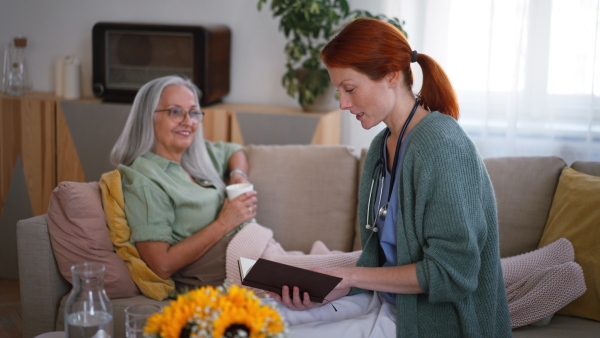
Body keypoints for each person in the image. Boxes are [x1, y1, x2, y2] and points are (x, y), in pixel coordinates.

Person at [268, 18, 512, 337]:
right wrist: (336, 288)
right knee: (259, 316)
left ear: (391, 75)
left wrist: (352, 277)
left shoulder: (442, 147)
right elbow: (380, 257)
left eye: (350, 88)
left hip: (431, 320)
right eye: (338, 90)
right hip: (385, 302)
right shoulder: (381, 146)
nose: (342, 103)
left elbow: (453, 275)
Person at [110, 75, 360, 292]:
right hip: (223, 273)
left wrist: (238, 174)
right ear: (148, 117)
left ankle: (371, 273)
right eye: (176, 111)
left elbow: (235, 151)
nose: (189, 121)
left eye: (194, 112)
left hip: (252, 253)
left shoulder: (196, 155)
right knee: (332, 277)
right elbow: (161, 265)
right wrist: (224, 222)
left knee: (335, 275)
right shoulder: (144, 179)